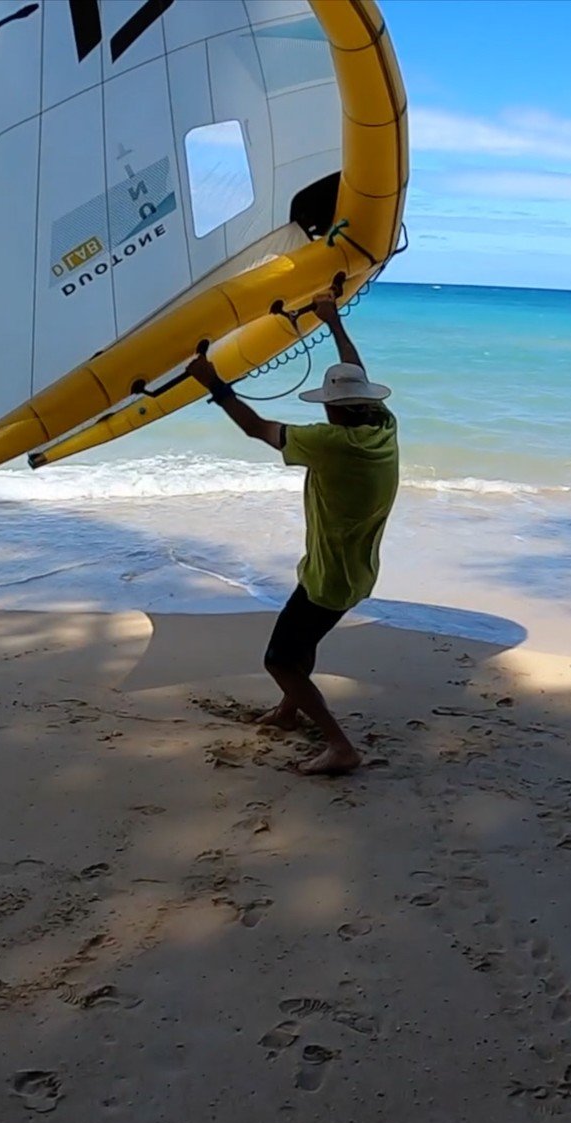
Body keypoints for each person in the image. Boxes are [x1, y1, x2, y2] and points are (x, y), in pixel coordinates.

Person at [187, 290, 400, 775]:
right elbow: (355, 372)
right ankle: (288, 711)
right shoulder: (384, 427)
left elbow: (257, 429)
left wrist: (213, 383)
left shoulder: (329, 443)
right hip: (350, 569)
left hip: (331, 579)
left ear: (335, 411)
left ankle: (339, 744)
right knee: (301, 642)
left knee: (280, 659)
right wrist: (334, 322)